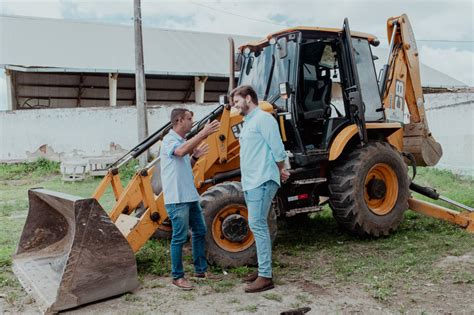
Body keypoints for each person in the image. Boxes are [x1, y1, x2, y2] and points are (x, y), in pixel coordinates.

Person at [230, 85, 290, 293]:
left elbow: (278, 150)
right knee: (257, 225)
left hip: (261, 180)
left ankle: (265, 276)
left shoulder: (264, 119)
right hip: (251, 181)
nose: (234, 105)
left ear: (248, 98)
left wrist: (280, 169)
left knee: (257, 224)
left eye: (237, 101)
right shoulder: (248, 122)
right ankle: (262, 269)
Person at [160, 108, 220, 290]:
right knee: (179, 238)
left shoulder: (181, 141)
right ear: (178, 120)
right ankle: (177, 276)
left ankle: (200, 271)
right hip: (177, 199)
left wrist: (194, 157)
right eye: (189, 118)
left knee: (200, 231)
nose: (192, 121)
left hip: (190, 196)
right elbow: (179, 153)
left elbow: (184, 164)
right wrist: (204, 133)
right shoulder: (170, 140)